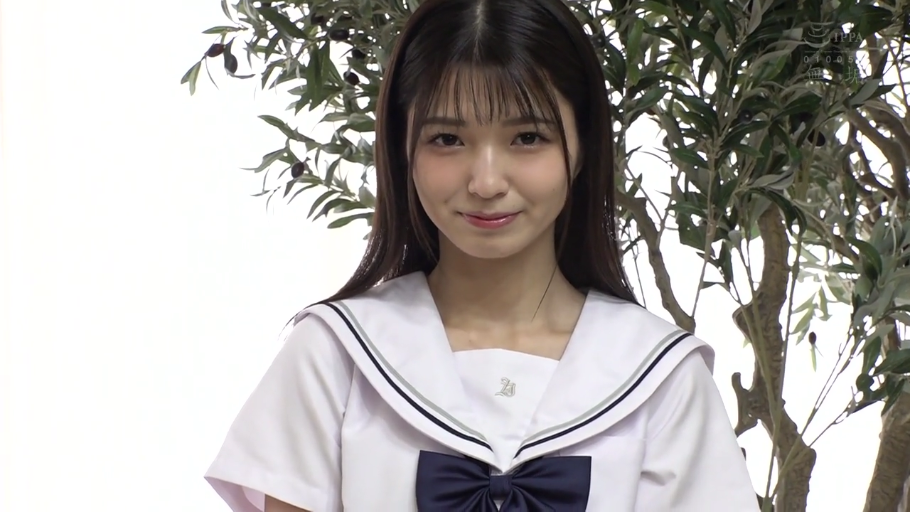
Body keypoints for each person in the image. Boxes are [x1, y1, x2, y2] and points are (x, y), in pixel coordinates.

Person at [204, 0, 760, 510]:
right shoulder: (335, 356)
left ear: (583, 146)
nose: (487, 182)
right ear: (402, 147)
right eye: (447, 139)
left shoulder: (662, 377)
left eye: (527, 138)